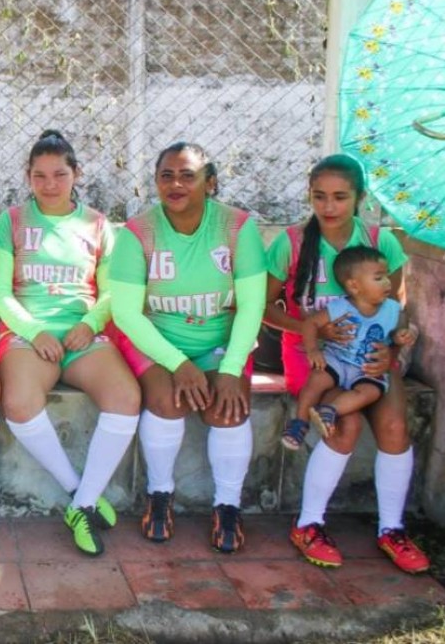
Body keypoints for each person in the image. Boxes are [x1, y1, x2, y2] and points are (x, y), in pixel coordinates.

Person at [263, 153, 429, 573]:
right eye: (319, 197)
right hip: (314, 355)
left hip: (370, 357)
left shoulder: (380, 241)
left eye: (340, 197)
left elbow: (396, 310)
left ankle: (392, 529)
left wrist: (393, 352)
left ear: (359, 198)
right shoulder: (293, 242)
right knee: (346, 422)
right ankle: (309, 524)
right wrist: (311, 327)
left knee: (394, 423)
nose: (329, 207)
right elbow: (265, 308)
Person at [0, 130, 140, 556]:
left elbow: (111, 292)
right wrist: (33, 331)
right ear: (28, 177)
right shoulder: (11, 222)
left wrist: (91, 323)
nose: (49, 184)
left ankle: (83, 503)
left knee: (126, 397)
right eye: (39, 176)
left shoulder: (97, 224)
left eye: (59, 174)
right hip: (27, 333)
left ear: (77, 174)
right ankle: (80, 492)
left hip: (82, 332)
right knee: (17, 402)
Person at [109, 142, 266, 554]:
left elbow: (252, 305)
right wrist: (177, 362)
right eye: (166, 176)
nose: (175, 184)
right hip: (157, 341)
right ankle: (159, 494)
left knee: (227, 407)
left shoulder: (237, 227)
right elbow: (125, 313)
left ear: (209, 182)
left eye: (188, 175)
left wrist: (231, 369)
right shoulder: (137, 232)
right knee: (166, 401)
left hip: (219, 342)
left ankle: (227, 505)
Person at [282, 247, 413, 448]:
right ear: (354, 286)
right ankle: (300, 422)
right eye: (379, 278)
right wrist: (313, 350)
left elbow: (399, 328)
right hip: (337, 360)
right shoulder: (341, 306)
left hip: (366, 369)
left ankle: (330, 410)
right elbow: (311, 323)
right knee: (316, 379)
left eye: (386, 276)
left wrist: (400, 336)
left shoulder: (392, 309)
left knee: (371, 392)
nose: (388, 282)